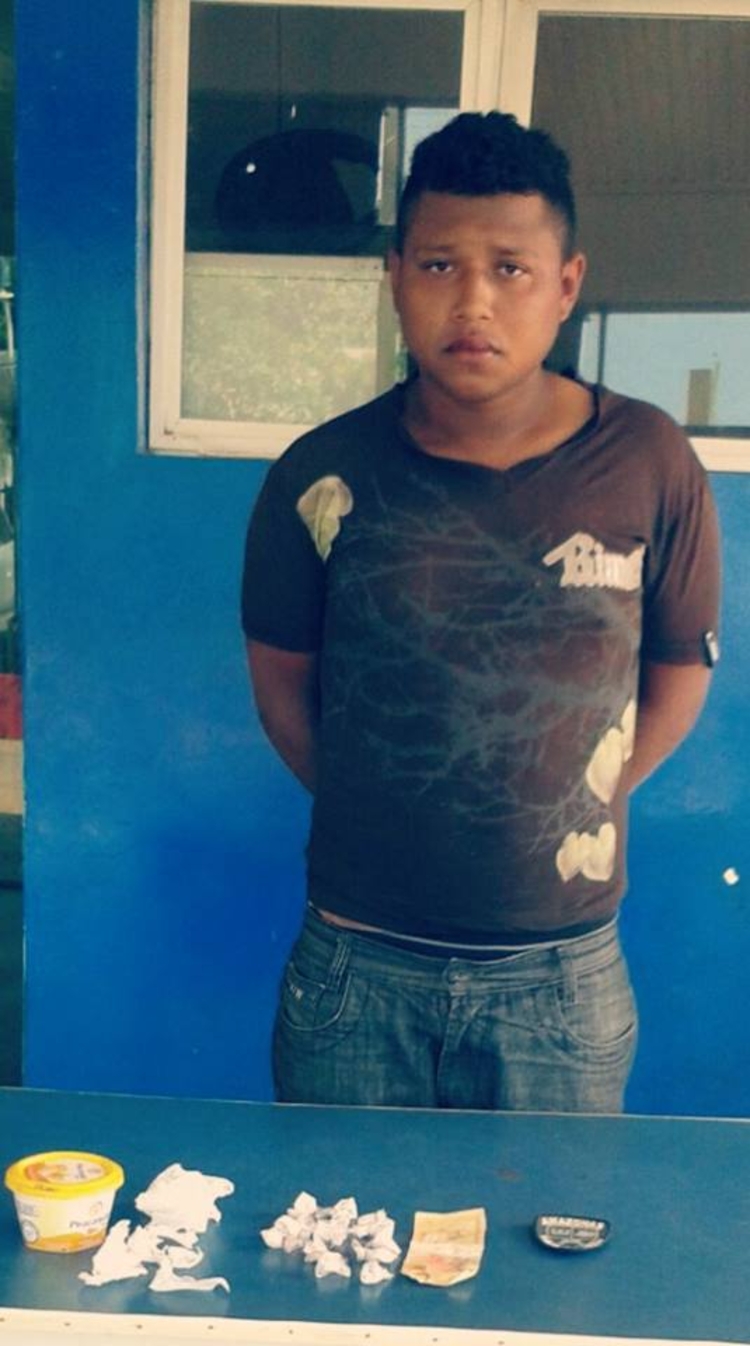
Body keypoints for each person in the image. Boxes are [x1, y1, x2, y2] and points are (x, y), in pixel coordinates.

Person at [241, 111, 720, 1114]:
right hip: (355, 973)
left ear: (566, 285)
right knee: (340, 1221)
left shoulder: (648, 462)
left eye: (510, 268)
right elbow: (284, 687)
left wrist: (578, 794)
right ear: (394, 277)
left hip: (561, 983)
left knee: (554, 1224)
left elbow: (680, 668)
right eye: (439, 265)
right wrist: (387, 805)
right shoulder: (320, 474)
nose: (473, 302)